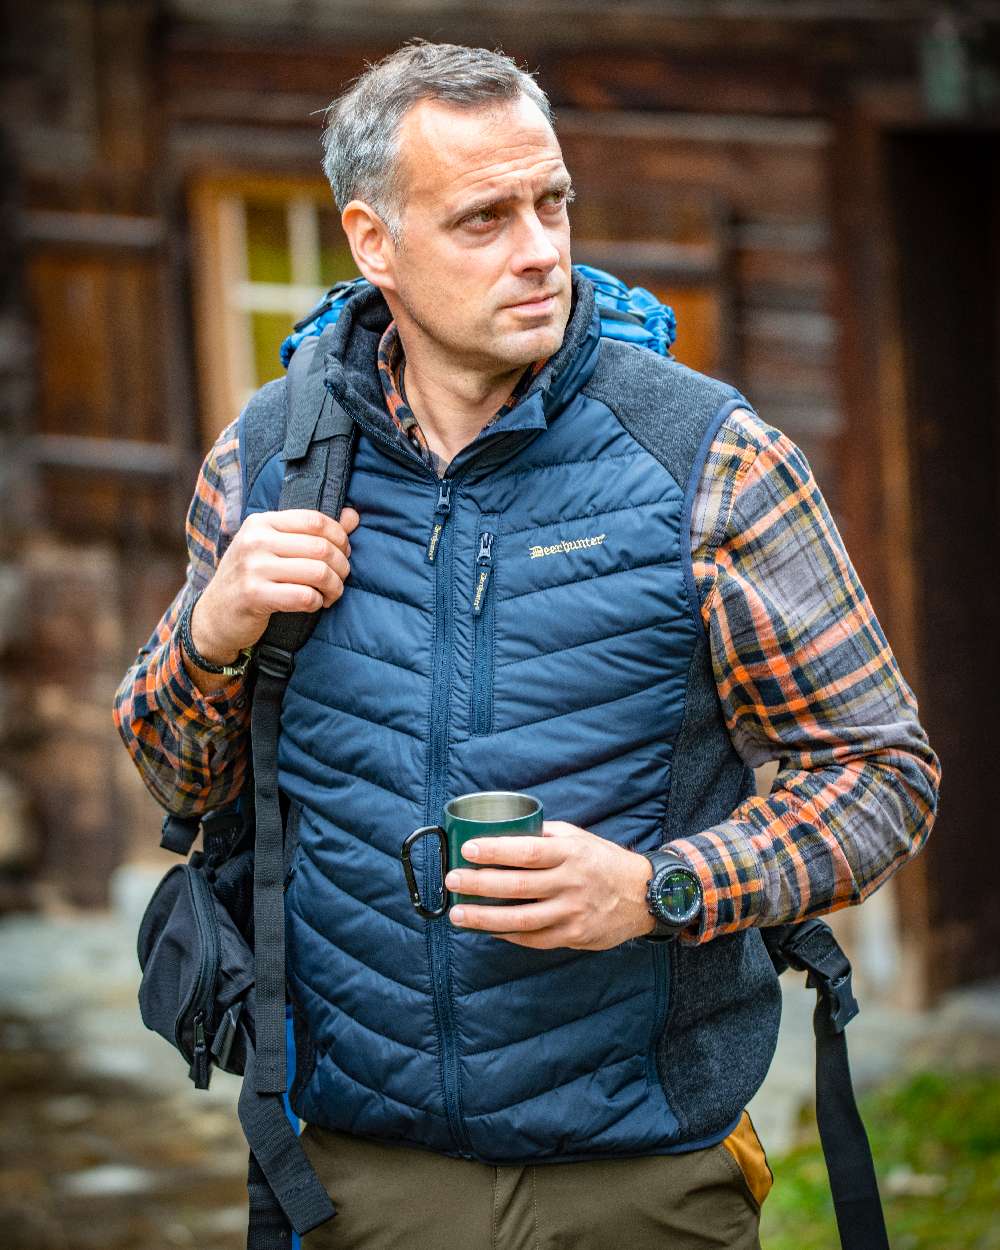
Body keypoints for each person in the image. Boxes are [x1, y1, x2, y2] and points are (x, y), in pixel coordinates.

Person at [114, 40, 940, 1250]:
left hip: (639, 1173)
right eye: (483, 218)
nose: (541, 247)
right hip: (352, 1173)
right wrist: (211, 632)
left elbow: (882, 771)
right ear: (372, 242)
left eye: (551, 200)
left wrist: (657, 888)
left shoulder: (706, 457)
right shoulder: (268, 459)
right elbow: (175, 780)